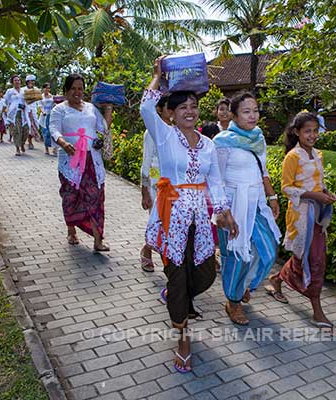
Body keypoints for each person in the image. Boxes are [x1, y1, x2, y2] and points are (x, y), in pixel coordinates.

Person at [140, 57, 238, 374]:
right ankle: (182, 336)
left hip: (199, 218)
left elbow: (215, 182)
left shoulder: (208, 144)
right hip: (172, 218)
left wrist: (224, 212)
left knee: (206, 274)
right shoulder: (165, 135)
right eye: (182, 106)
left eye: (194, 105)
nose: (189, 111)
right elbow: (145, 108)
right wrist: (157, 77)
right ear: (172, 112)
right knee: (178, 276)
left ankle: (177, 297)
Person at [264, 111, 336, 329]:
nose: (312, 135)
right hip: (300, 215)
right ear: (297, 132)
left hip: (317, 214)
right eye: (308, 131)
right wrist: (315, 195)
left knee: (310, 258)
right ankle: (316, 310)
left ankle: (277, 280)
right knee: (312, 261)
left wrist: (326, 193)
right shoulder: (293, 157)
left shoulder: (318, 154)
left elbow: (319, 183)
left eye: (315, 131)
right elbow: (287, 188)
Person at [214, 91, 281, 326]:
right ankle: (233, 301)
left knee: (269, 249)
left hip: (257, 202)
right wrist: (222, 212)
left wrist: (272, 197)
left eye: (255, 110)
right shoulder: (222, 141)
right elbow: (216, 179)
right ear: (234, 115)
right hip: (233, 205)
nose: (253, 116)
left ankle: (244, 285)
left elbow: (263, 171)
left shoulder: (258, 137)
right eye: (246, 111)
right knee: (235, 256)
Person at [50, 74, 113, 251]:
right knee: (70, 196)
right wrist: (63, 142)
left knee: (95, 197)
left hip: (92, 159)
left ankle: (98, 240)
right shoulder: (59, 110)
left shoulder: (91, 108)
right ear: (66, 91)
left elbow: (103, 128)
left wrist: (108, 108)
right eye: (73, 89)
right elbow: (54, 129)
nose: (77, 93)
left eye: (80, 89)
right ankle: (71, 230)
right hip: (70, 160)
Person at [140, 93, 172, 272]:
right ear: (159, 109)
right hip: (155, 184)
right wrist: (145, 190)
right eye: (169, 107)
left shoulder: (176, 130)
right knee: (157, 221)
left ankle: (153, 251)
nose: (173, 111)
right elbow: (146, 163)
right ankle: (147, 251)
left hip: (173, 185)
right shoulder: (151, 132)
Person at [4, 75, 31, 156]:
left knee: (25, 130)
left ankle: (22, 143)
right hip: (14, 113)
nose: (17, 82)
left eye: (18, 80)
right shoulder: (9, 91)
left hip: (23, 113)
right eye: (15, 80)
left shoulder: (24, 91)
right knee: (17, 131)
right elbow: (6, 102)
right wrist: (7, 110)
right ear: (12, 82)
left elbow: (28, 100)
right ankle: (17, 148)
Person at [39, 83, 57, 156]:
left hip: (51, 115)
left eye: (48, 88)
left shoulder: (52, 96)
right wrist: (43, 112)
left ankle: (55, 148)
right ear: (43, 89)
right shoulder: (41, 97)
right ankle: (46, 149)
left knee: (52, 132)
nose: (47, 89)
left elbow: (54, 105)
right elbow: (40, 106)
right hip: (44, 116)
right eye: (46, 88)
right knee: (45, 133)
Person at [24, 75, 40, 150]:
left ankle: (32, 139)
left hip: (33, 110)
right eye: (31, 81)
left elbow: (39, 100)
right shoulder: (23, 89)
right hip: (26, 110)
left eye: (33, 81)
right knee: (29, 126)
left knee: (35, 125)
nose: (32, 82)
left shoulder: (36, 89)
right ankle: (29, 141)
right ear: (28, 81)